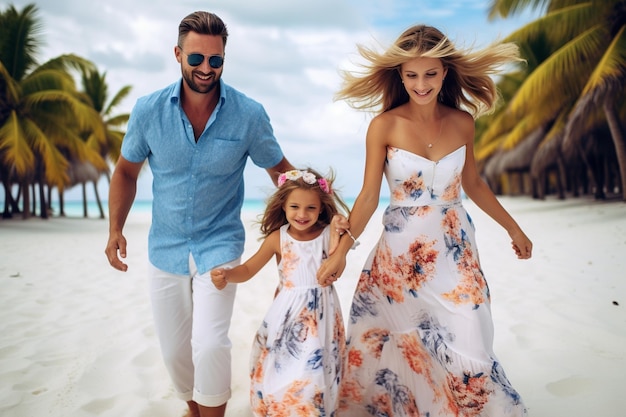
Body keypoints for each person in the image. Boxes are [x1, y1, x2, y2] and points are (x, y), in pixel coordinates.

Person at [317, 25, 533, 416]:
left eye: (430, 73)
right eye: (412, 74)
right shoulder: (384, 125)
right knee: (408, 339)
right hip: (400, 257)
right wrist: (342, 252)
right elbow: (367, 197)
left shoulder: (464, 122)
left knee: (471, 329)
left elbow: (474, 183)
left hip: (456, 251)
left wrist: (513, 227)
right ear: (400, 74)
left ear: (445, 72)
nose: (421, 84)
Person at [104, 11, 294, 417]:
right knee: (175, 353)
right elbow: (125, 171)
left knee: (210, 343)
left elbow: (281, 172)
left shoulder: (249, 115)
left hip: (220, 244)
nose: (206, 68)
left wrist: (320, 205)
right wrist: (114, 230)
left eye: (215, 60)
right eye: (196, 59)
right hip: (165, 247)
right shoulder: (147, 111)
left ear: (224, 59)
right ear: (178, 55)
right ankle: (195, 407)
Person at [211, 168, 350, 416]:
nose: (302, 214)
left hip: (322, 314)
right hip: (287, 315)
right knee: (288, 369)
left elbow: (339, 261)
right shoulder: (278, 238)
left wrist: (339, 225)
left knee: (315, 372)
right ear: (283, 206)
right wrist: (228, 275)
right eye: (295, 206)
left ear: (321, 209)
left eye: (311, 208)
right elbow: (248, 269)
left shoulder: (328, 233)